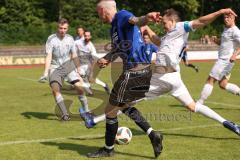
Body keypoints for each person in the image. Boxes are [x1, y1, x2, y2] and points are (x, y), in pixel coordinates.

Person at [84, 8, 240, 138]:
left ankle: (94, 120)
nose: (163, 25)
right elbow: (158, 41)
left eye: (165, 23)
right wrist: (146, 28)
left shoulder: (180, 27)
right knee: (193, 106)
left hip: (162, 78)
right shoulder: (170, 35)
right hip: (174, 79)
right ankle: (228, 123)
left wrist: (220, 11)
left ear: (173, 21)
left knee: (124, 102)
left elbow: (201, 21)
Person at [85, 0, 163, 158]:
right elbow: (119, 49)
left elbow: (136, 20)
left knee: (110, 110)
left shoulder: (121, 16)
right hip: (140, 72)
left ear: (103, 11)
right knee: (124, 106)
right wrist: (107, 57)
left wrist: (147, 17)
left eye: (98, 13)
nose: (99, 16)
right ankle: (153, 134)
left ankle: (108, 150)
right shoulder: (114, 27)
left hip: (135, 72)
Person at [39, 18, 89, 120]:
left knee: (79, 87)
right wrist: (45, 72)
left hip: (68, 65)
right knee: (55, 88)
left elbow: (74, 54)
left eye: (65, 28)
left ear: (67, 28)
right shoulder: (51, 39)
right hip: (55, 66)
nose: (62, 30)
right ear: (57, 27)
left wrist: (79, 69)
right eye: (61, 28)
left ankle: (87, 111)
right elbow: (48, 56)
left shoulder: (70, 39)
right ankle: (65, 114)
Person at [197, 13, 240, 105]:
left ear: (233, 18)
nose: (226, 19)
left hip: (225, 61)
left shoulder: (235, 31)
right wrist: (216, 40)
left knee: (210, 80)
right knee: (223, 84)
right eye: (224, 17)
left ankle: (199, 103)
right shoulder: (226, 29)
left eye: (228, 17)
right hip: (225, 61)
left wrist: (235, 55)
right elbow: (224, 43)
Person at [75, 30, 111, 98]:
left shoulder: (91, 46)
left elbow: (94, 57)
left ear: (90, 37)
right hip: (80, 65)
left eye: (88, 36)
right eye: (85, 36)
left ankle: (104, 85)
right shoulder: (78, 42)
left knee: (91, 79)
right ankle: (90, 92)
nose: (87, 37)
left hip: (88, 65)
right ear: (84, 36)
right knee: (81, 78)